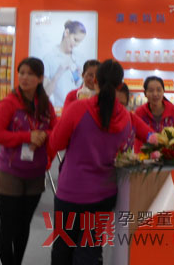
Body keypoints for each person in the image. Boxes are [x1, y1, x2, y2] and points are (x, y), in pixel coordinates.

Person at [48, 59, 135, 265]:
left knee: (63, 248)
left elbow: (56, 143)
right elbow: (124, 151)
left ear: (95, 81)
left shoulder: (78, 108)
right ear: (120, 86)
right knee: (90, 250)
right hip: (103, 194)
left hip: (71, 191)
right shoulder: (126, 117)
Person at [0, 57, 57, 265]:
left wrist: (43, 135)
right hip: (10, 174)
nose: (24, 77)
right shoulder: (8, 103)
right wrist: (27, 137)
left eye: (30, 74)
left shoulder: (46, 105)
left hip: (35, 174)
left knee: (23, 225)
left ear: (40, 78)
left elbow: (56, 131)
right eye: (22, 73)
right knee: (8, 227)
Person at [43, 20, 87, 108]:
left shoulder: (80, 58)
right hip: (59, 109)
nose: (76, 44)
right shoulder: (49, 58)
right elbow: (45, 94)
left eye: (79, 42)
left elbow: (87, 90)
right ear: (66, 33)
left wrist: (84, 77)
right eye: (75, 40)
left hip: (79, 107)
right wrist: (58, 73)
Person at [116, 83, 154, 152]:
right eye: (114, 103)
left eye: (122, 104)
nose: (117, 108)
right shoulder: (96, 120)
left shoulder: (131, 119)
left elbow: (152, 136)